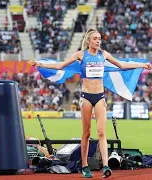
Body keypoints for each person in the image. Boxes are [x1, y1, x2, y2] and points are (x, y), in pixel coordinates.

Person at [30, 28, 151, 178]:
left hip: (100, 97)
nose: (98, 41)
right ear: (89, 41)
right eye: (95, 38)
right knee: (86, 134)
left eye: (99, 38)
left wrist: (142, 65)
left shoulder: (104, 55)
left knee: (102, 132)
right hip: (86, 97)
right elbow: (60, 65)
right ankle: (85, 166)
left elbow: (122, 65)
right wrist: (39, 63)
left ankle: (106, 166)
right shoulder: (81, 55)